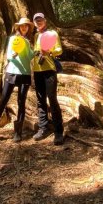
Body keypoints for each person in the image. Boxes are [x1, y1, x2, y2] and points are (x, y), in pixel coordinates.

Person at [0, 17, 35, 143]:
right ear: (18, 27)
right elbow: (9, 56)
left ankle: (18, 132)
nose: (24, 27)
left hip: (25, 74)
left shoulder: (28, 42)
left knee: (21, 102)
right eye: (22, 25)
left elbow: (29, 58)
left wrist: (36, 51)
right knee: (3, 99)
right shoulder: (13, 39)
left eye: (26, 26)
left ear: (28, 28)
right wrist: (12, 56)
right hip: (12, 72)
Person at [32, 12, 64, 145]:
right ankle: (43, 128)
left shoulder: (52, 34)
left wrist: (49, 52)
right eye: (36, 20)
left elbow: (59, 50)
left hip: (49, 70)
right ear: (34, 23)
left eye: (40, 20)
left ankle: (58, 131)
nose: (38, 22)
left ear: (45, 21)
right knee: (40, 100)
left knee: (52, 98)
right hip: (37, 70)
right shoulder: (35, 36)